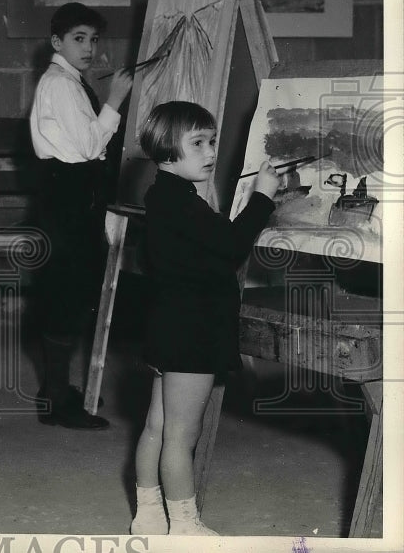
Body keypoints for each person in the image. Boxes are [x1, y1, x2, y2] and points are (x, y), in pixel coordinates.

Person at [130, 101, 278, 535]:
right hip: (192, 329)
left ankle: (149, 515)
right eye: (197, 143)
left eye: (212, 141)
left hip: (166, 324)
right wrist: (263, 197)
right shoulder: (182, 202)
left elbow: (205, 246)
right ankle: (186, 527)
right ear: (166, 151)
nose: (211, 152)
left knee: (156, 427)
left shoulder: (164, 196)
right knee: (181, 435)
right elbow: (232, 245)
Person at [29, 2, 133, 429]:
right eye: (79, 39)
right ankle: (56, 403)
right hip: (66, 201)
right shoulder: (61, 85)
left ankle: (55, 388)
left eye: (93, 39)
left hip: (72, 198)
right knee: (66, 299)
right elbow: (91, 146)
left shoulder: (68, 81)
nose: (89, 47)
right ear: (57, 42)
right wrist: (117, 100)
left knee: (68, 296)